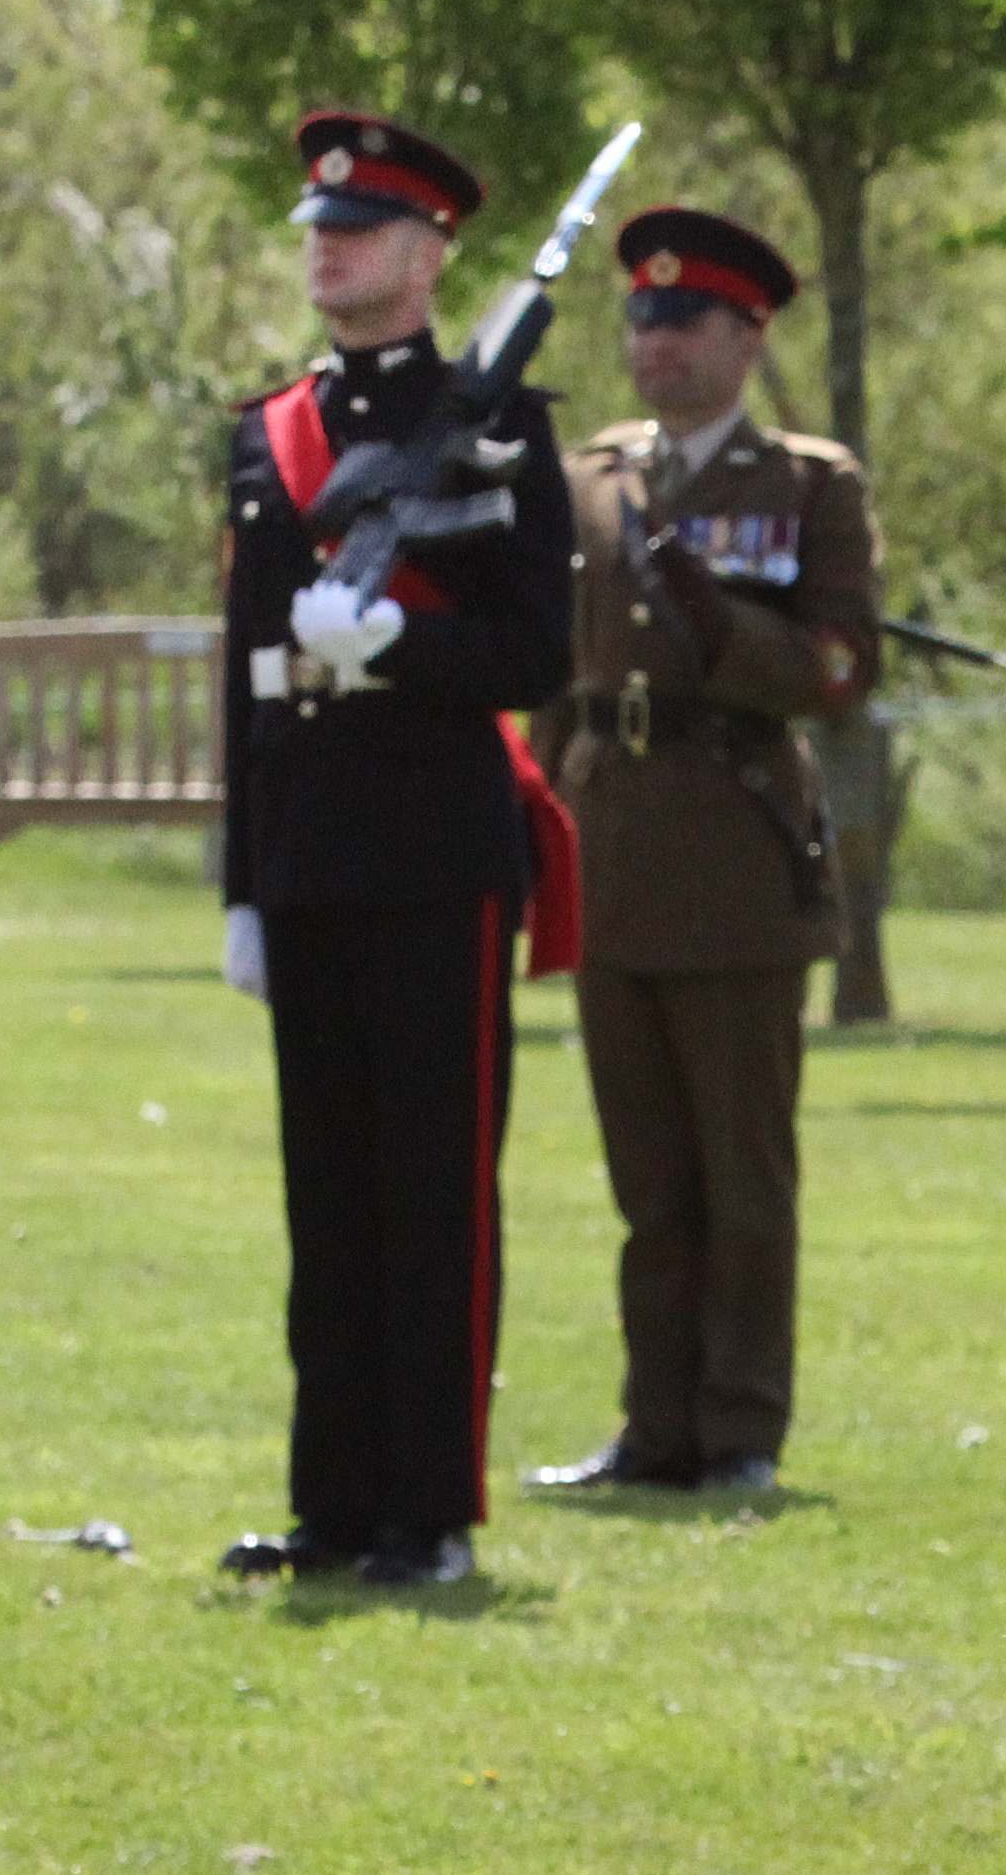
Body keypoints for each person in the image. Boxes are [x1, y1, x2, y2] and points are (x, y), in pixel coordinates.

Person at [216, 111, 576, 1590]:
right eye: (319, 223)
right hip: (310, 857)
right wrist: (242, 882)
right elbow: (240, 674)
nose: (330, 245)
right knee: (329, 1196)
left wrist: (398, 645)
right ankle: (336, 1502)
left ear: (430, 254)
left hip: (436, 857)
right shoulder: (269, 430)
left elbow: (535, 651)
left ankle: (429, 1509)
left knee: (434, 1195)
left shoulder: (498, 422)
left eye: (361, 227)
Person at [525, 206, 878, 1503]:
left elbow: (843, 669)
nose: (657, 344)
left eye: (685, 324)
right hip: (613, 848)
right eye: (642, 320)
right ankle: (652, 1426)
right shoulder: (591, 477)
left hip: (738, 854)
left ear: (746, 335)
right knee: (647, 1181)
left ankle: (737, 1429)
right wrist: (546, 812)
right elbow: (555, 670)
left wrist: (728, 631)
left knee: (743, 1178)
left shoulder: (808, 484)